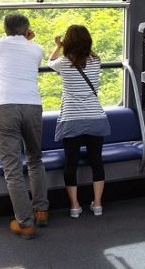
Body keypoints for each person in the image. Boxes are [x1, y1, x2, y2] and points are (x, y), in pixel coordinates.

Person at [0, 13, 49, 239]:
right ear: (27, 29)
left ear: (5, 28)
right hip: (32, 105)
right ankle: (41, 209)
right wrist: (28, 40)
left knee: (12, 168)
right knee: (35, 158)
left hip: (5, 106)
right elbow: (30, 61)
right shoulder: (36, 48)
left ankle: (25, 222)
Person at [47, 25, 110, 218]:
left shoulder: (64, 63)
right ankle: (97, 204)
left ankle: (74, 206)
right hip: (95, 117)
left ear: (68, 42)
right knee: (96, 161)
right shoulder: (96, 60)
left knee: (71, 163)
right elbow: (87, 55)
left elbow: (50, 62)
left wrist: (58, 46)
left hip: (71, 118)